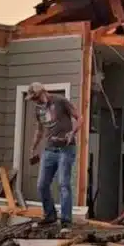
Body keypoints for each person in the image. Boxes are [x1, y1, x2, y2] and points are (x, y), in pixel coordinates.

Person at [27, 82, 81, 229]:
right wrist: (33, 148)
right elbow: (39, 130)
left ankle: (66, 221)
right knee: (42, 184)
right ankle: (50, 215)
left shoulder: (60, 101)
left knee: (63, 184)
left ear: (43, 92)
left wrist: (72, 133)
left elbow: (79, 118)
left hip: (66, 149)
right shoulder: (39, 110)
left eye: (36, 97)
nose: (35, 101)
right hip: (49, 150)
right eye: (33, 99)